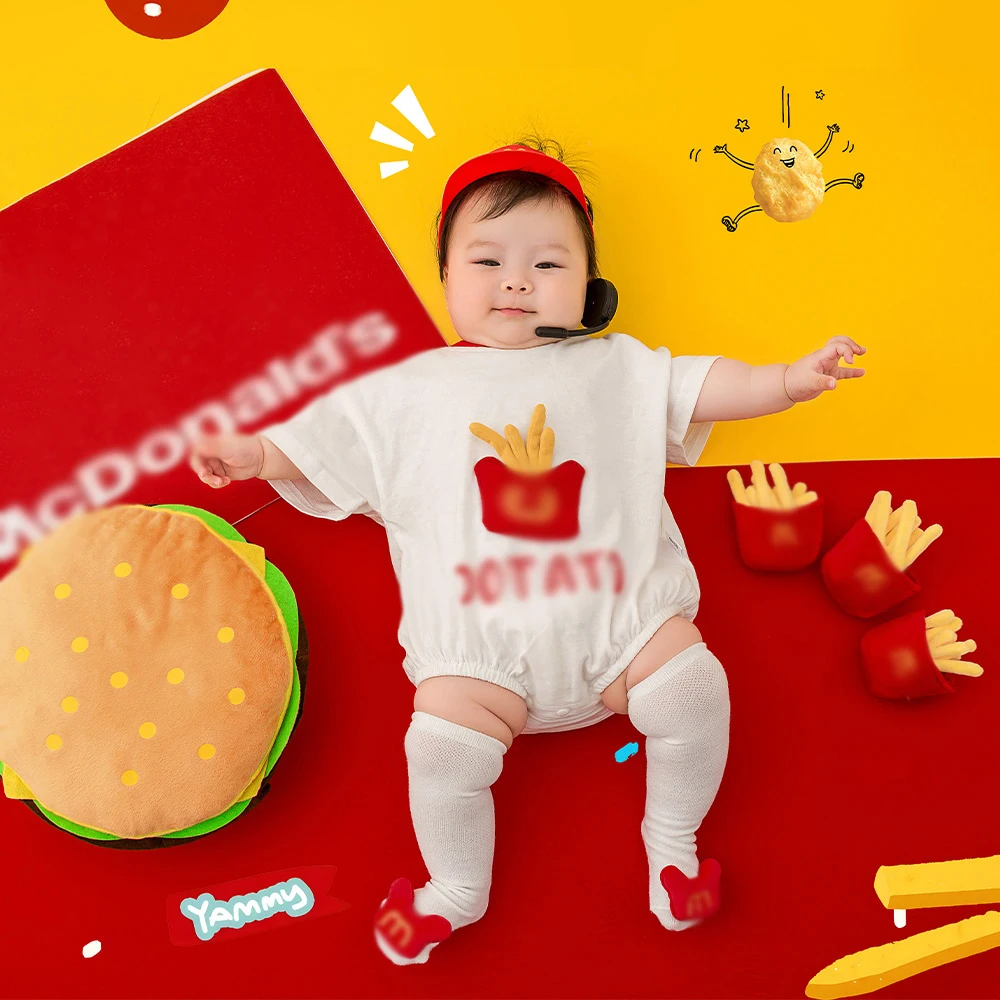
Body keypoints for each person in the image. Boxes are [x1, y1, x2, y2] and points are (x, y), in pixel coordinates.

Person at [188, 136, 867, 965]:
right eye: (487, 260)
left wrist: (788, 380)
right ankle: (455, 892)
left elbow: (700, 382)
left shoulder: (614, 366)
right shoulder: (408, 389)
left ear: (588, 288)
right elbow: (324, 440)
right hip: (478, 664)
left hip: (626, 629)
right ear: (445, 279)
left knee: (693, 692)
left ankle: (673, 845)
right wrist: (257, 454)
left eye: (548, 264)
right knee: (437, 752)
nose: (516, 280)